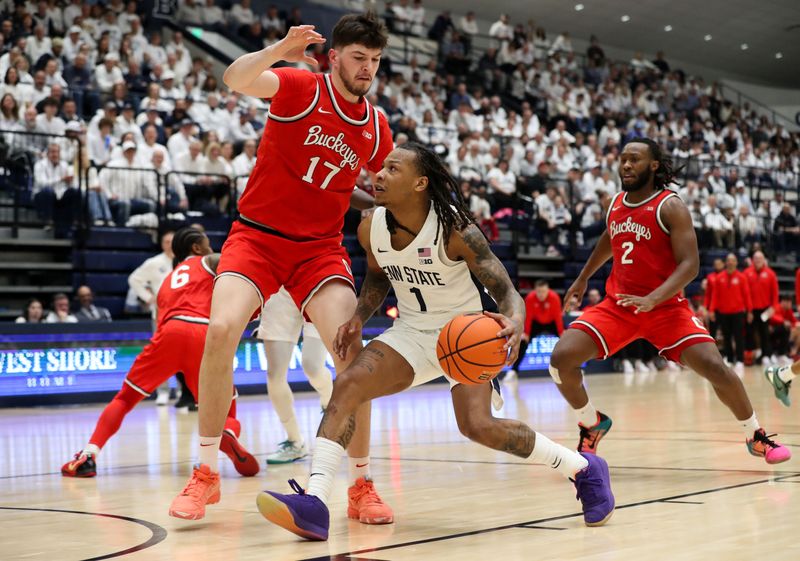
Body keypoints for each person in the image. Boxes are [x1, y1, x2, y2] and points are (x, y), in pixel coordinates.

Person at [256, 143, 615, 540]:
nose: (379, 175)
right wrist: (359, 316)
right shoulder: (369, 225)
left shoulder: (456, 230)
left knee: (478, 426)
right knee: (348, 383)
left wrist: (514, 320)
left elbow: (505, 289)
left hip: (465, 332)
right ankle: (315, 501)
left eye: (393, 169)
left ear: (420, 184)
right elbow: (378, 276)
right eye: (382, 167)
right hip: (412, 332)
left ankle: (583, 468)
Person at [169, 14, 395, 522]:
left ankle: (361, 484)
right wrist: (281, 47)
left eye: (376, 61)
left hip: (319, 248)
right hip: (258, 237)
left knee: (351, 355)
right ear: (334, 57)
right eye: (359, 58)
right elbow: (236, 78)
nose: (368, 69)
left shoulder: (376, 125)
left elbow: (388, 185)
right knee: (222, 328)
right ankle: (205, 473)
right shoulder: (299, 87)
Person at [549, 139, 790, 465]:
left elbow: (690, 265)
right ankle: (592, 423)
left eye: (634, 159)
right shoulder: (616, 204)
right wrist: (582, 278)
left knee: (716, 368)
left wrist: (654, 298)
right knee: (560, 360)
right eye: (623, 160)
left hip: (665, 308)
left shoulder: (670, 206)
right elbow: (610, 238)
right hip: (619, 305)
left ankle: (755, 435)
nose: (626, 165)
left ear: (654, 166)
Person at [62, 228, 257, 480]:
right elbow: (229, 261)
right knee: (225, 409)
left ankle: (89, 455)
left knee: (124, 399)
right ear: (196, 249)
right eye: (207, 244)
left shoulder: (167, 281)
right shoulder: (206, 261)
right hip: (201, 332)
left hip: (168, 333)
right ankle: (227, 433)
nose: (211, 249)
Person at [128, 230, 178, 406]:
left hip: (183, 315)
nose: (169, 244)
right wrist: (148, 298)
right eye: (166, 241)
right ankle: (162, 391)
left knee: (183, 355)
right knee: (160, 354)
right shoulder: (154, 262)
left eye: (172, 240)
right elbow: (134, 279)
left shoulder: (186, 261)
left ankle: (183, 391)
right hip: (161, 316)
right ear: (161, 243)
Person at [505, 279, 564, 387]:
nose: (541, 294)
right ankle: (513, 371)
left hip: (551, 322)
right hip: (536, 323)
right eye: (539, 292)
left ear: (548, 290)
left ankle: (571, 368)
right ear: (535, 291)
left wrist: (561, 332)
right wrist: (526, 333)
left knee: (565, 341)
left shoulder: (554, 297)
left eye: (543, 292)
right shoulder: (530, 298)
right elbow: (528, 317)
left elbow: (558, 316)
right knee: (523, 341)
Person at [710, 253, 751, 375]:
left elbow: (747, 295)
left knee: (738, 337)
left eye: (733, 260)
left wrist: (749, 311)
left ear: (736, 262)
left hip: (738, 312)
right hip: (723, 312)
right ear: (725, 263)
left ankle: (740, 360)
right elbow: (715, 295)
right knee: (726, 336)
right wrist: (712, 309)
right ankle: (729, 358)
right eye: (728, 260)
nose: (730, 262)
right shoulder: (719, 278)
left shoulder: (742, 277)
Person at [744, 251, 779, 364]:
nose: (758, 260)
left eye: (760, 258)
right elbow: (745, 293)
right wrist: (748, 310)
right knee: (750, 332)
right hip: (751, 310)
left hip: (765, 310)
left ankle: (766, 355)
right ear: (752, 260)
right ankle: (752, 356)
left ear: (764, 260)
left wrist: (773, 308)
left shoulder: (770, 274)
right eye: (756, 258)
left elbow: (775, 293)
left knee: (765, 333)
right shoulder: (746, 273)